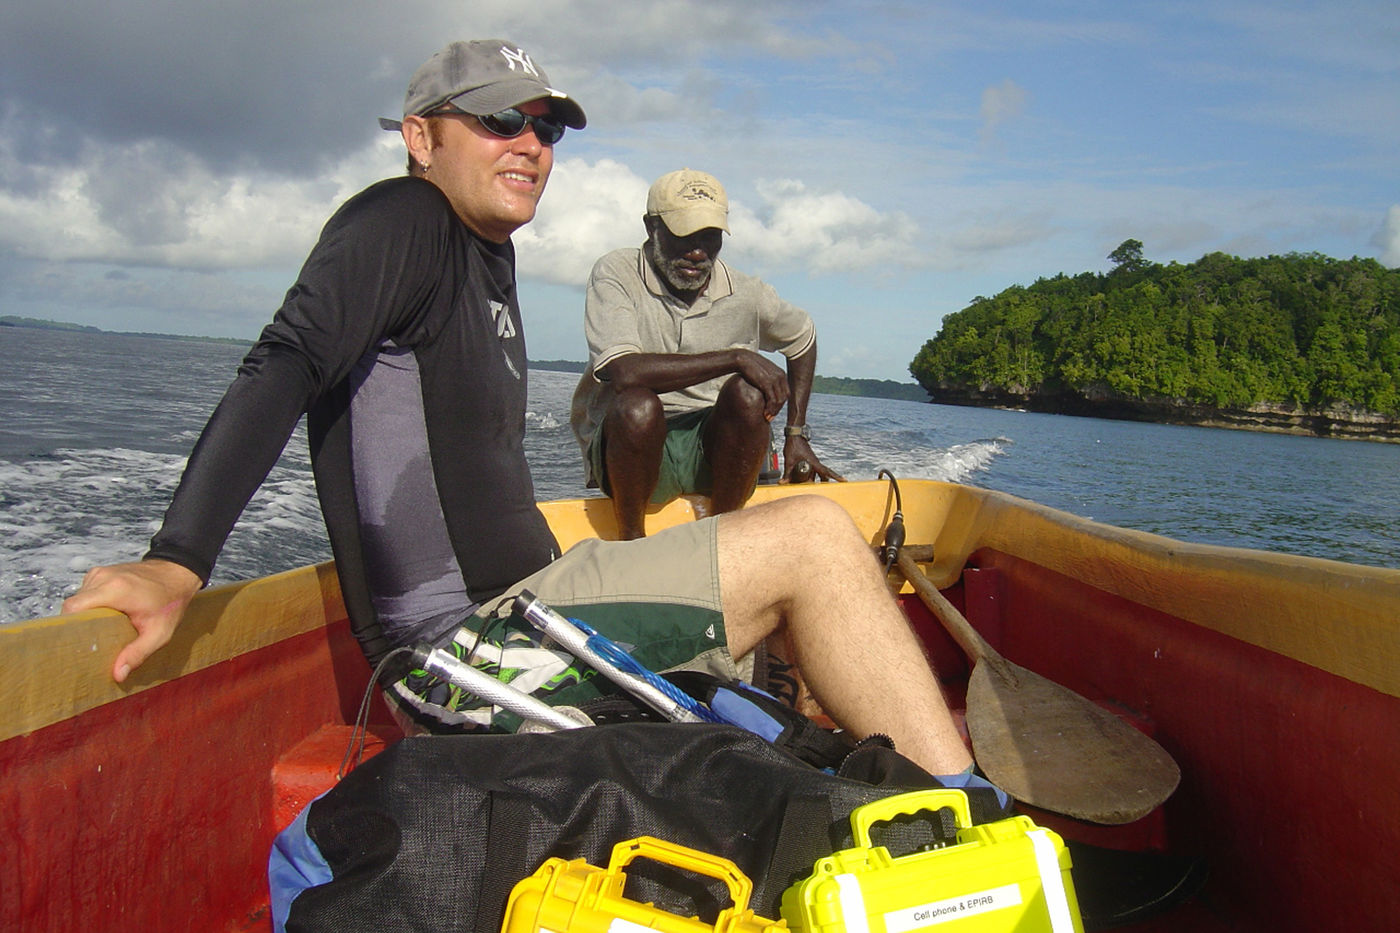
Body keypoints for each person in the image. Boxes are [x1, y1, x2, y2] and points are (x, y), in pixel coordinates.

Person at [60, 39, 973, 779]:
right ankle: (974, 820)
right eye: (500, 120)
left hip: (528, 609)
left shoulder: (485, 258)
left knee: (762, 694)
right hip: (463, 650)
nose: (530, 144)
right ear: (421, 138)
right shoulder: (400, 221)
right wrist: (176, 562)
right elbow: (286, 362)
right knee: (813, 538)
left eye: (545, 129)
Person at [570, 169, 844, 540]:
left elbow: (803, 337)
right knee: (638, 406)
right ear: (652, 227)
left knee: (748, 395)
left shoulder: (747, 293)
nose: (697, 253)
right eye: (683, 236)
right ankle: (631, 539)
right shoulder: (617, 272)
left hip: (714, 450)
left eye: (710, 238)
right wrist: (735, 357)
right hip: (635, 449)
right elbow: (623, 372)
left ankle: (722, 534)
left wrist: (796, 433)